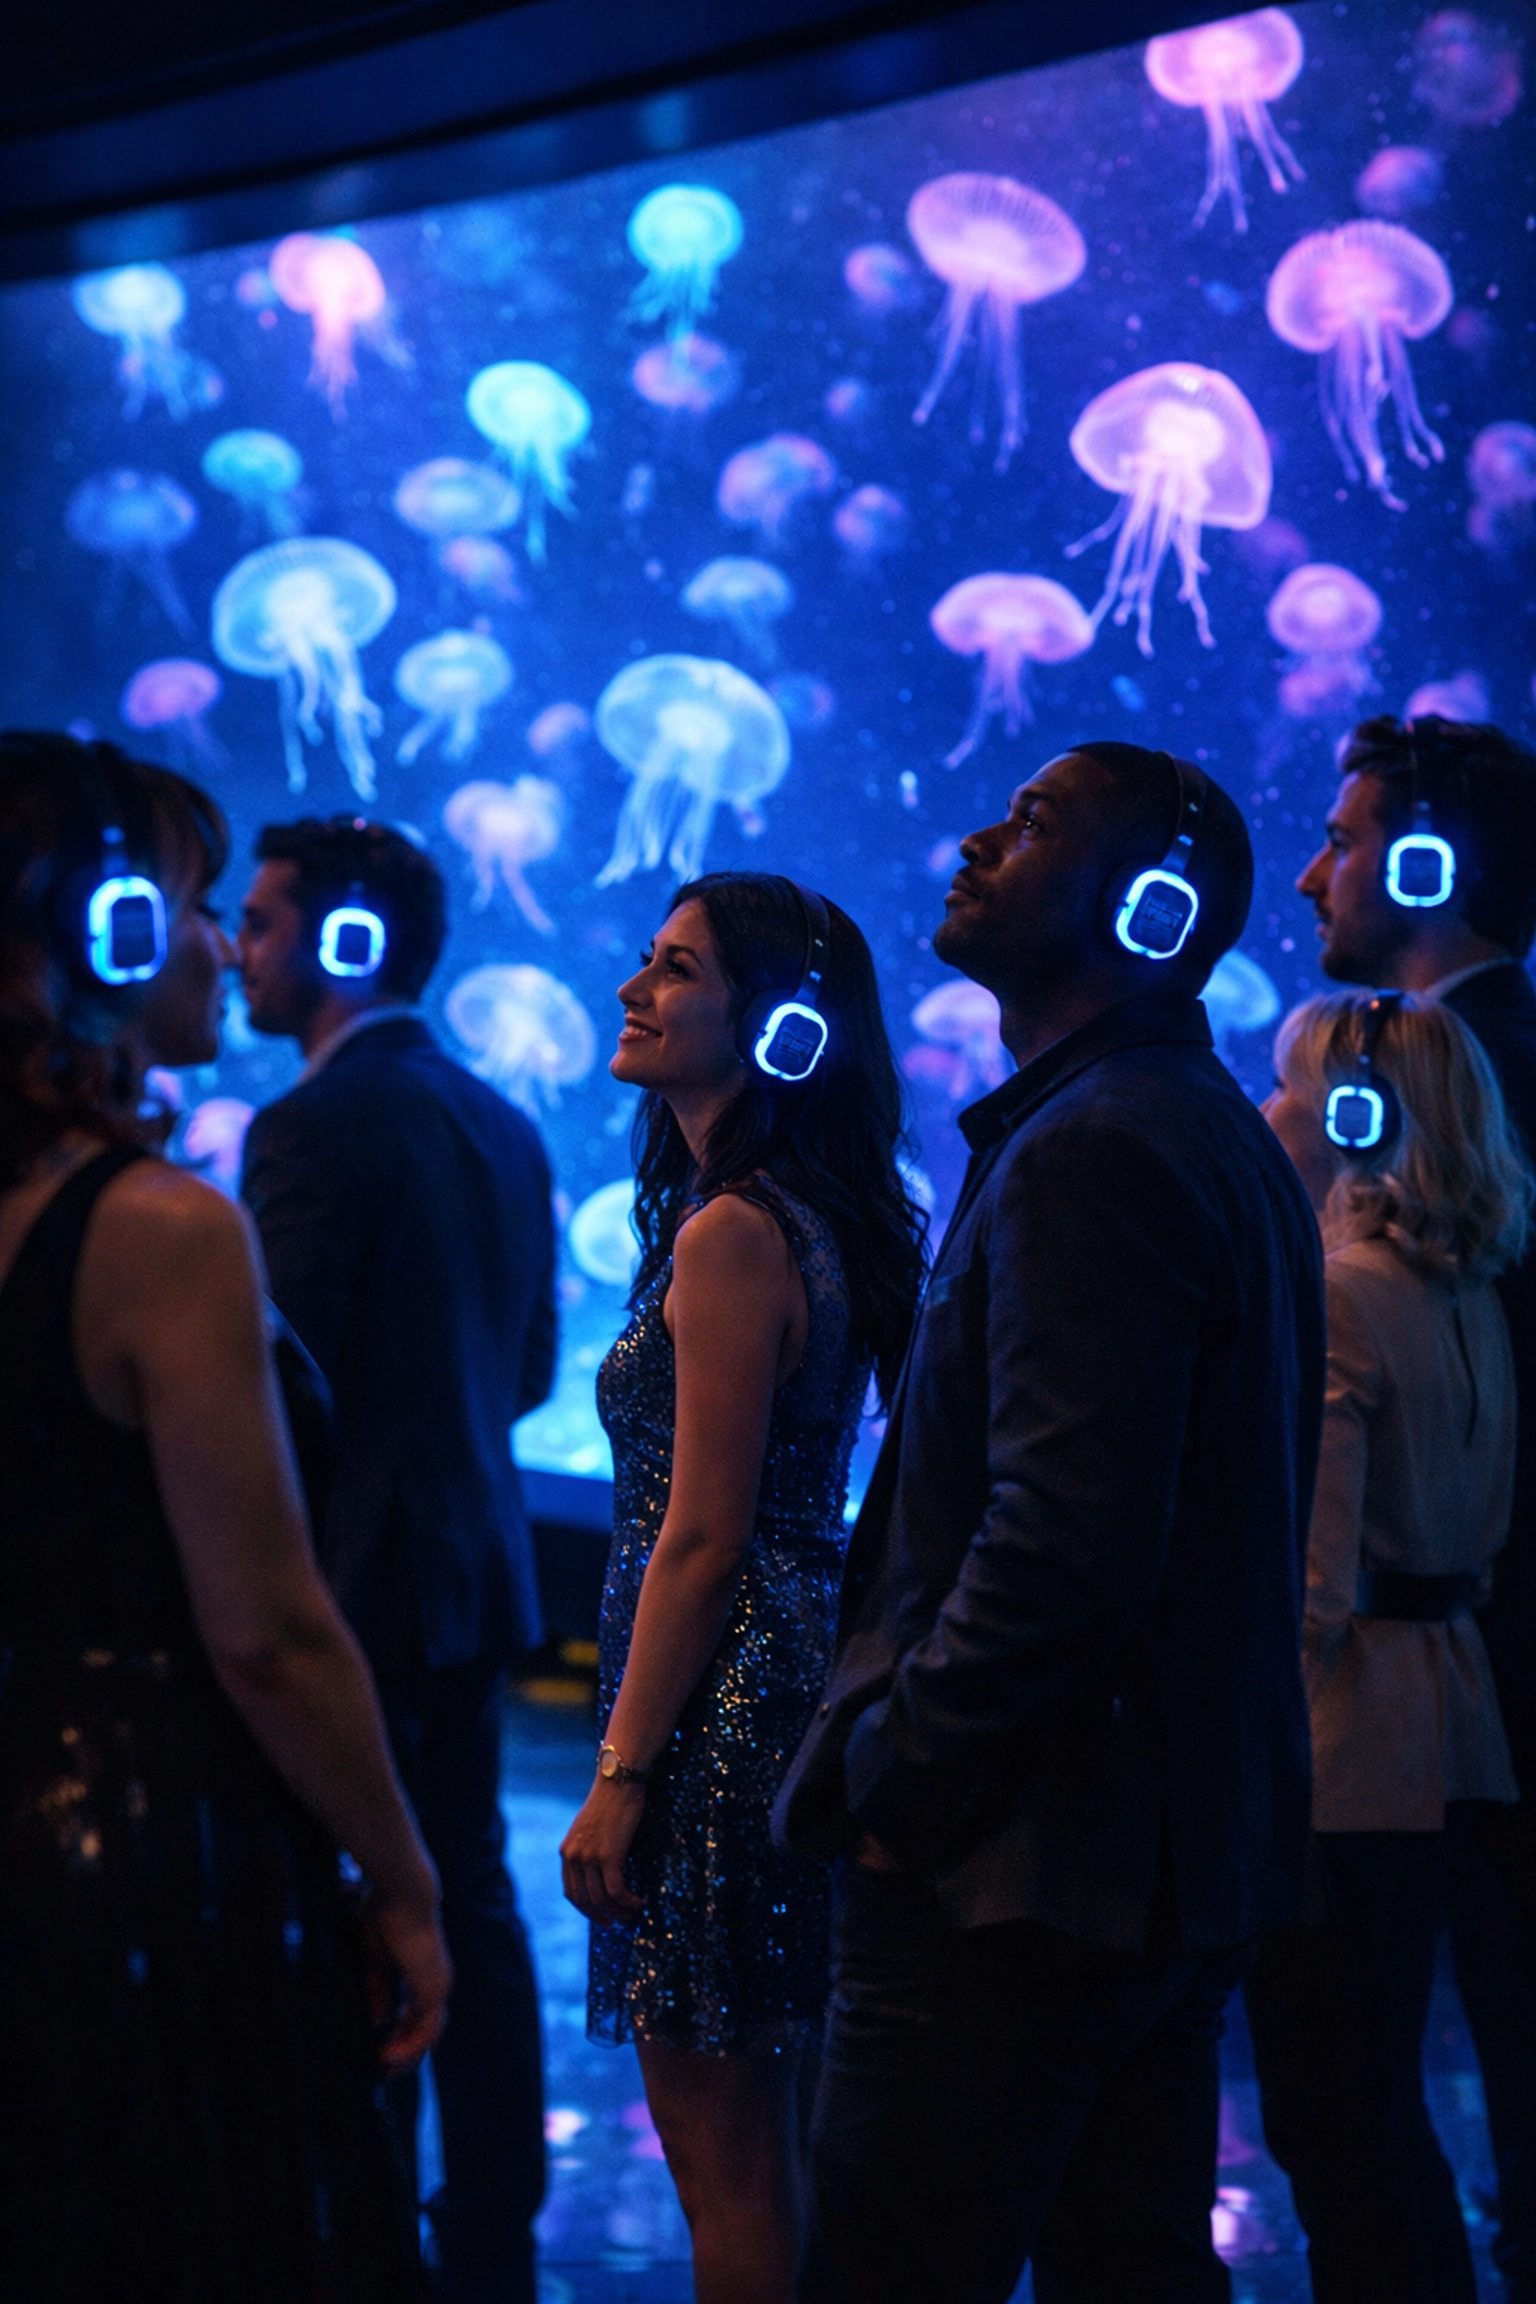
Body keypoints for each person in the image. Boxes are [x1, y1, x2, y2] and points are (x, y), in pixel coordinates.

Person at [773, 742, 1326, 2304]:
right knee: (1132, 2270)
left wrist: (899, 1784)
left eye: (1029, 828)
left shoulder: (1100, 1145)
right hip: (1146, 1863)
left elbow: (1067, 1542)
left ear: (1152, 911)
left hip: (1018, 1870)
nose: (972, 840)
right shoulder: (1190, 1126)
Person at [0, 731, 449, 2300]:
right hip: (142, 1828)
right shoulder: (159, 1230)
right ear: (96, 933)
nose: (213, 944)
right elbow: (265, 1632)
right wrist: (404, 1876)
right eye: (194, 906)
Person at [559, 872, 927, 2304]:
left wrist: (623, 1772)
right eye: (643, 961)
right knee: (780, 2157)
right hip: (794, 1681)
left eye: (676, 971)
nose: (634, 990)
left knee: (730, 2178)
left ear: (775, 1025)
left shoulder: (732, 1236)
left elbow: (700, 1538)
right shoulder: (802, 1219)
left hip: (714, 1711)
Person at [237, 815, 556, 2304]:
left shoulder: (309, 1126)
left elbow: (273, 1392)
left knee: (350, 1906)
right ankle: (489, 2231)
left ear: (342, 942)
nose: (239, 946)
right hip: (479, 1574)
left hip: (355, 1586)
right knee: (468, 1897)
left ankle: (353, 2227)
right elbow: (537, 1364)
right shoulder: (504, 1120)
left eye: (261, 919)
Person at [1296, 713, 1536, 2302]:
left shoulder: (1471, 1066)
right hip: (1465, 1658)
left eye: (1345, 837)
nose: (1314, 872)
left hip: (1440, 1657)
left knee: (1366, 2080)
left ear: (1430, 862)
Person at [1249, 988, 1528, 2304]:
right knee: (1380, 2094)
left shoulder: (1343, 1296)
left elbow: (1307, 1580)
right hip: (1443, 1712)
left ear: (1361, 1120)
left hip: (1345, 1737)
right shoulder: (1460, 1283)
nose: (1272, 1115)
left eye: (1294, 1090)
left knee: (1331, 2109)